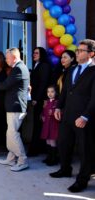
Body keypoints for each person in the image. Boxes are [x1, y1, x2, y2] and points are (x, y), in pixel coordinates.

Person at [50, 39, 95, 193]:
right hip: (67, 115)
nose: (77, 53)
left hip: (83, 118)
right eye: (77, 50)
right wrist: (58, 107)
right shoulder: (72, 69)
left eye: (81, 50)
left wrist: (85, 116)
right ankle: (65, 169)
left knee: (84, 149)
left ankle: (82, 179)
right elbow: (64, 92)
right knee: (63, 144)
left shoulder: (94, 71)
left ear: (91, 53)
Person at [0, 48, 30, 172]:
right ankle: (11, 158)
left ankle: (22, 160)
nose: (6, 60)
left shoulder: (18, 68)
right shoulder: (18, 68)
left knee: (13, 134)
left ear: (14, 58)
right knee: (10, 133)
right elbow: (7, 83)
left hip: (16, 106)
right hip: (12, 106)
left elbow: (5, 85)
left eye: (7, 58)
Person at [28, 47, 52, 157]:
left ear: (42, 54)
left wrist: (36, 99)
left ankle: (35, 149)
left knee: (39, 124)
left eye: (37, 53)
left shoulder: (44, 66)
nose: (34, 54)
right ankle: (38, 147)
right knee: (38, 124)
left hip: (41, 100)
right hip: (36, 98)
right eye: (33, 52)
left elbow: (43, 84)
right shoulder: (37, 65)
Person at [40, 85, 59, 166]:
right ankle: (49, 157)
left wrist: (54, 112)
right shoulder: (46, 102)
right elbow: (44, 111)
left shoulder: (57, 102)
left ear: (56, 92)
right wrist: (42, 115)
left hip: (53, 124)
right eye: (48, 92)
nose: (50, 93)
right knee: (47, 140)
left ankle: (54, 158)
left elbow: (59, 112)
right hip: (46, 124)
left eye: (52, 91)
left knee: (52, 141)